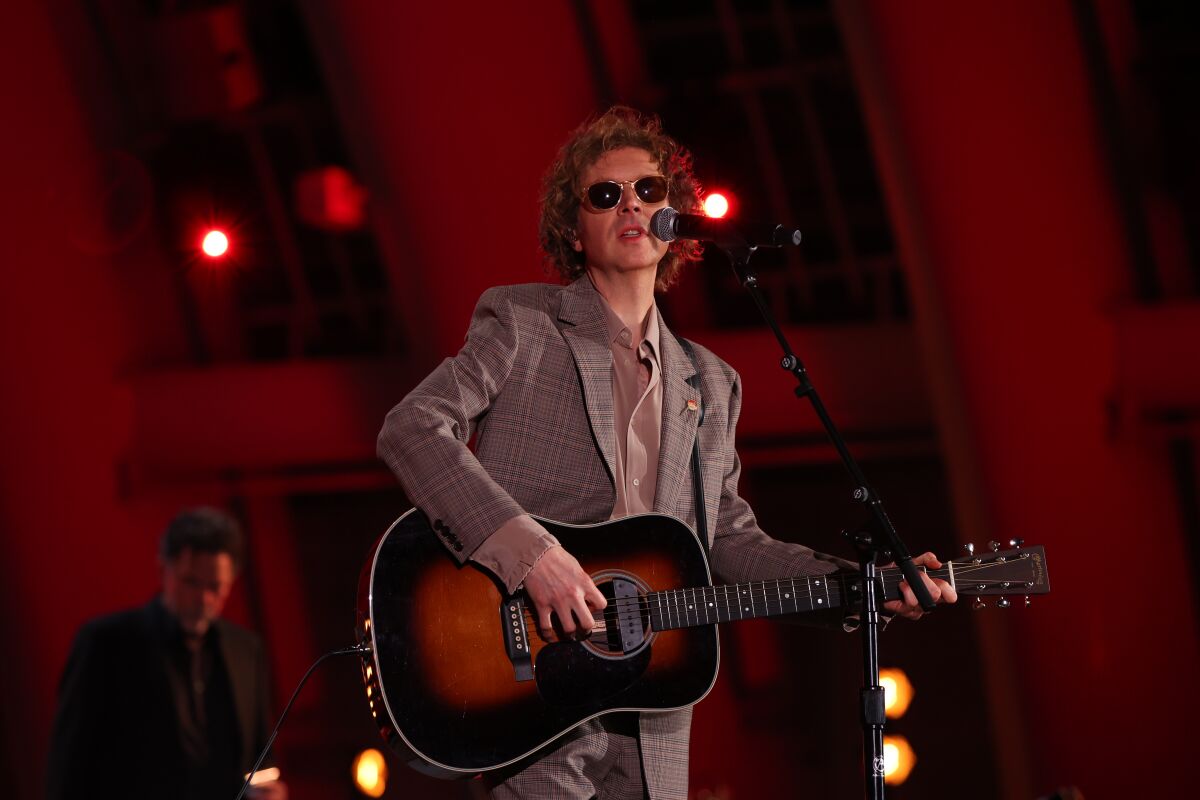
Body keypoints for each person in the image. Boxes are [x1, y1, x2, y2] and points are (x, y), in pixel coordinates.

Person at [376, 106, 956, 800]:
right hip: (531, 676)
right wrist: (533, 557)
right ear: (572, 226)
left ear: (676, 219)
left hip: (652, 695)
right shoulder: (522, 324)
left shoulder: (711, 381)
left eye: (650, 191)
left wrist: (868, 582)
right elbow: (413, 427)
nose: (631, 205)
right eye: (605, 194)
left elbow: (728, 539)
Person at [47, 507, 286, 800]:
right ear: (164, 570)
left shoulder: (246, 649)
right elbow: (70, 762)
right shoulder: (105, 643)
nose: (203, 598)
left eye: (215, 586)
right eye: (190, 582)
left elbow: (260, 755)